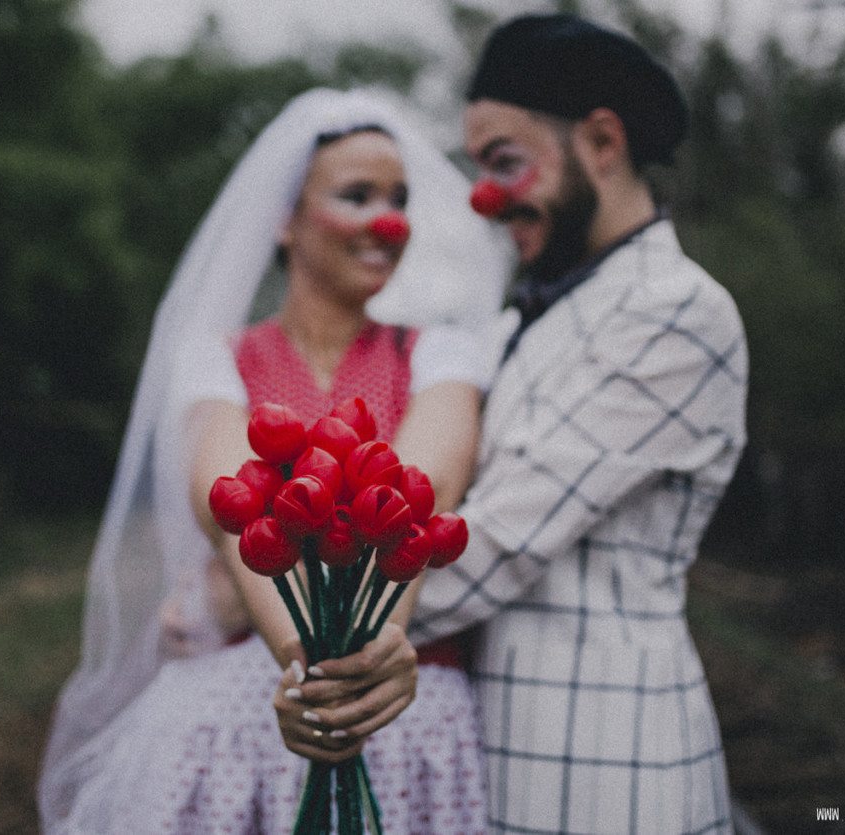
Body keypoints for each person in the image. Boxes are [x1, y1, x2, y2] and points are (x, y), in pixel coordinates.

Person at [282, 14, 749, 834]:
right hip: (486, 753)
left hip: (609, 769)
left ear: (602, 141)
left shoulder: (675, 312)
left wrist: (294, 605)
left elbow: (494, 540)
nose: (486, 200)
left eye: (505, 163)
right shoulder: (511, 325)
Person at [37, 87, 508, 833]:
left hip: (405, 711)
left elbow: (423, 492)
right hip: (244, 709)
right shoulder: (215, 363)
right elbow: (239, 509)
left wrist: (371, 649)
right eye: (357, 195)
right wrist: (310, 662)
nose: (389, 221)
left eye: (399, 198)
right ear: (284, 220)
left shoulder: (439, 355)